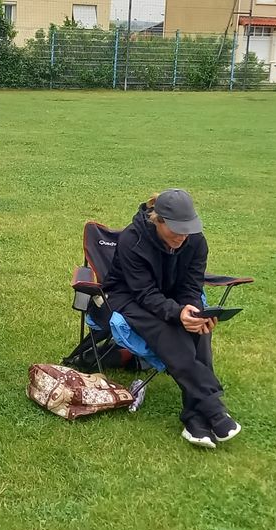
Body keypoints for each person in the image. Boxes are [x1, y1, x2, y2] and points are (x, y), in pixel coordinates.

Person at [101, 188, 241, 449]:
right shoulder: (133, 239)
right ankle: (213, 408)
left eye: (187, 230)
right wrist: (176, 314)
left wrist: (192, 312)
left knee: (199, 329)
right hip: (129, 296)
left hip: (171, 295)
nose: (182, 236)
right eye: (176, 230)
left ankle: (195, 419)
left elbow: (191, 286)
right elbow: (144, 293)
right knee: (167, 331)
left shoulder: (196, 241)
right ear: (159, 221)